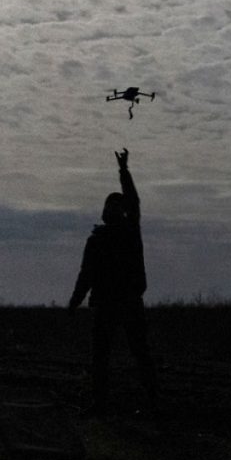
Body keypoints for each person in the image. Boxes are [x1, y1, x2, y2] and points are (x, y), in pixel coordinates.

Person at [69, 148, 158, 417]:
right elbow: (86, 274)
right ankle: (102, 403)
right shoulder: (97, 240)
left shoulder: (129, 232)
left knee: (137, 353)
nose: (115, 210)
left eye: (117, 206)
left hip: (128, 301)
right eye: (112, 206)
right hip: (110, 304)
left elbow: (134, 201)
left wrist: (124, 172)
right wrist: (75, 301)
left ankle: (153, 402)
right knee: (103, 356)